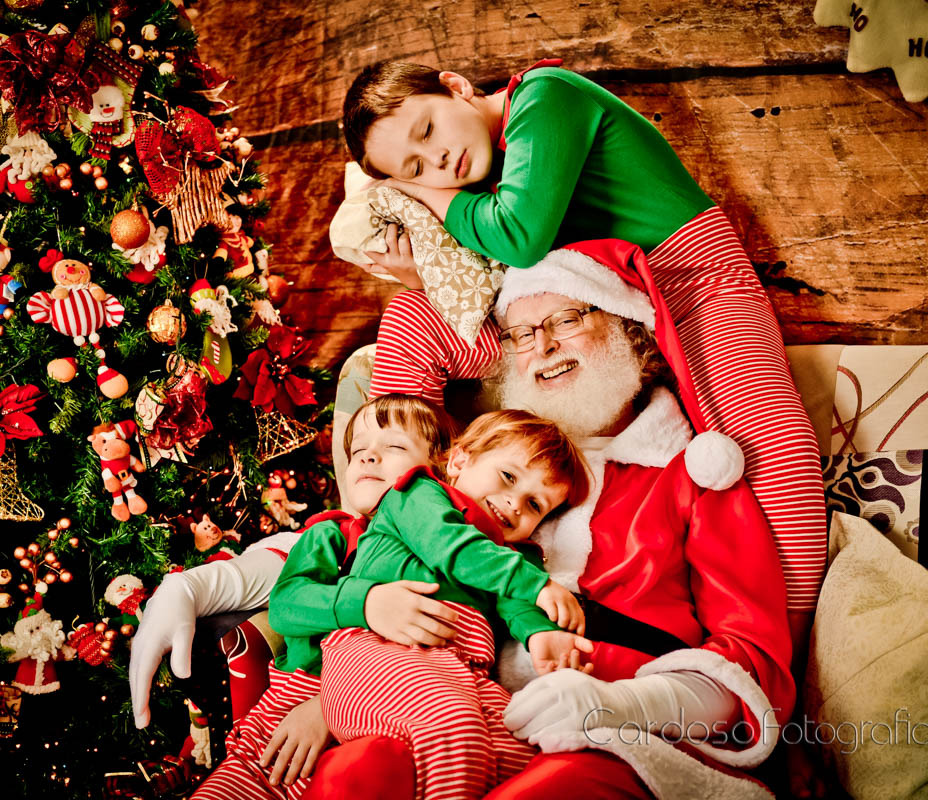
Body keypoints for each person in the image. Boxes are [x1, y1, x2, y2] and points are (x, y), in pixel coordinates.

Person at [341, 60, 826, 650]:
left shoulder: (545, 98)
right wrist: (424, 278)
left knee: (767, 457)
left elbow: (519, 235)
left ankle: (785, 664)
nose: (438, 161)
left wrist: (421, 193)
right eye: (414, 166)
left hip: (693, 283)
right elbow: (502, 267)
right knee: (417, 318)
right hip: (595, 299)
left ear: (456, 87)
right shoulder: (484, 180)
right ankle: (385, 528)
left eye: (426, 131)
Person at [304, 241, 796, 800]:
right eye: (519, 333)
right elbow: (353, 560)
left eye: (567, 318)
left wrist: (619, 703)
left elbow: (754, 664)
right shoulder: (483, 471)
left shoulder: (693, 475)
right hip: (460, 708)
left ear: (628, 329)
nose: (542, 345)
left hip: (624, 738)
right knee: (354, 774)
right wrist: (324, 699)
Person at [191, 395, 592, 800]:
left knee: (517, 754)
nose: (368, 459)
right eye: (358, 451)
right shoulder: (357, 523)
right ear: (454, 464)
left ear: (438, 461)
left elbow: (513, 599)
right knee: (251, 784)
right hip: (317, 690)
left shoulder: (499, 552)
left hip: (444, 673)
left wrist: (542, 633)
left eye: (393, 447)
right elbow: (287, 606)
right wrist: (368, 604)